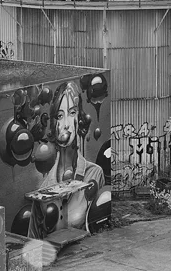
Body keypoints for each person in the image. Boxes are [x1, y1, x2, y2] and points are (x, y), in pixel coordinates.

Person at [29, 81, 105, 237]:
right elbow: (33, 239)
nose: (65, 124)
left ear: (80, 118)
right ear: (54, 123)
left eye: (72, 113)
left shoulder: (94, 174)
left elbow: (100, 226)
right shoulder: (42, 190)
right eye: (59, 116)